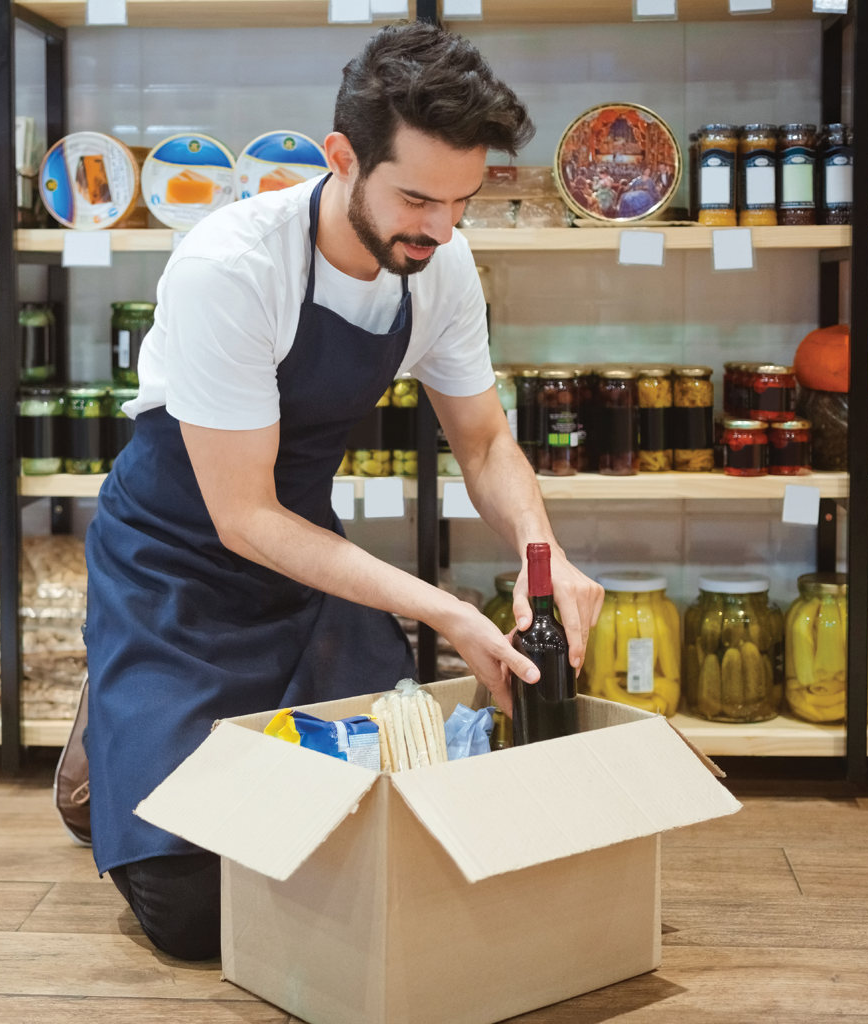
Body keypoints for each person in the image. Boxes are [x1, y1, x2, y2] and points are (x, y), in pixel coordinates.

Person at [63, 21, 604, 963]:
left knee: (373, 822)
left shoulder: (441, 265)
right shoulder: (232, 266)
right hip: (174, 563)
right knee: (192, 911)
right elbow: (240, 516)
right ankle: (102, 747)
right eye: (418, 199)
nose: (440, 228)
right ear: (342, 158)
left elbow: (483, 441)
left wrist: (539, 553)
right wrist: (446, 613)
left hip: (306, 555)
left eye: (463, 202)